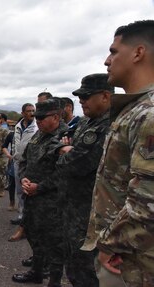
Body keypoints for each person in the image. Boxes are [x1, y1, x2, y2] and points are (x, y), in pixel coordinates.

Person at [81, 20, 154, 287]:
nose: (106, 61)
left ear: (138, 53)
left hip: (133, 259)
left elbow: (148, 204)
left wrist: (111, 244)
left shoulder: (148, 114)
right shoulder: (134, 110)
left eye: (113, 51)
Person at [54, 73, 113, 287]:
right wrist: (66, 150)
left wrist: (66, 152)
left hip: (89, 213)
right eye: (80, 97)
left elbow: (77, 164)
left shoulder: (107, 125)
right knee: (73, 265)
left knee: (88, 270)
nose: (81, 101)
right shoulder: (88, 122)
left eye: (86, 96)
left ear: (105, 96)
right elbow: (63, 147)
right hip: (72, 208)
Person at [12, 99, 68, 286]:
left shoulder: (66, 136)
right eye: (37, 118)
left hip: (52, 201)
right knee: (34, 235)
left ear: (56, 116)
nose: (38, 121)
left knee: (54, 243)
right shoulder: (39, 135)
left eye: (42, 118)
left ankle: (54, 280)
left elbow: (65, 172)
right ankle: (36, 273)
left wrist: (40, 187)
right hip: (32, 198)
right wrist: (23, 179)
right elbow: (24, 160)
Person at [10, 103, 37, 226]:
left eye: (33, 110)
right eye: (29, 111)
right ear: (22, 113)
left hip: (31, 164)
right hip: (18, 163)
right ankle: (21, 215)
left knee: (30, 191)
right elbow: (15, 142)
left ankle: (30, 219)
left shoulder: (37, 126)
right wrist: (14, 155)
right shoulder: (17, 126)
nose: (32, 113)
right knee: (20, 190)